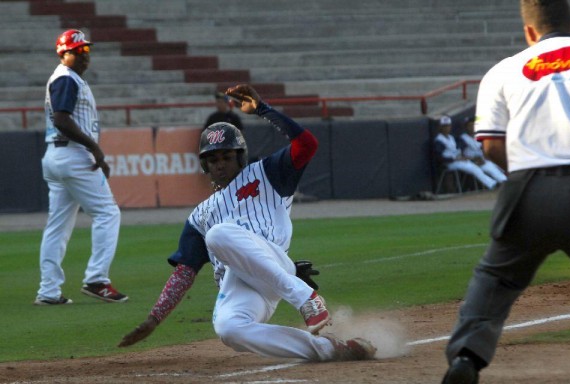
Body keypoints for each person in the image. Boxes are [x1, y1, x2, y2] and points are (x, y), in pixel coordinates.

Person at [118, 84, 376, 362]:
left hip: (275, 265)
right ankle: (329, 348)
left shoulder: (267, 173)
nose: (220, 164)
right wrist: (154, 319)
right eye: (213, 159)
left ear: (240, 156)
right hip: (241, 284)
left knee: (218, 235)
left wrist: (263, 110)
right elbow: (184, 273)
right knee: (229, 329)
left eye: (226, 156)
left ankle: (307, 300)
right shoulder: (200, 215)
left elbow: (307, 144)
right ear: (205, 165)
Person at [442, 1, 570, 383]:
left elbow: (491, 146)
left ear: (529, 31)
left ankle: (466, 358)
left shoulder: (503, 70)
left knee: (495, 278)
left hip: (525, 185)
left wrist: (531, 177)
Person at [35, 29, 127, 305]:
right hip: (74, 157)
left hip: (57, 156)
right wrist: (94, 148)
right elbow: (62, 119)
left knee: (57, 226)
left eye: (86, 49)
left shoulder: (67, 78)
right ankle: (97, 279)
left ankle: (48, 291)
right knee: (108, 213)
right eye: (78, 50)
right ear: (64, 53)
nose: (85, 55)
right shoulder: (65, 78)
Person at [433, 115, 498, 191]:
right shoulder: (439, 140)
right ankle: (492, 184)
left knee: (475, 166)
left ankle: (493, 183)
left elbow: (457, 150)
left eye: (448, 126)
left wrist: (462, 156)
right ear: (440, 127)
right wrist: (455, 158)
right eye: (444, 126)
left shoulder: (451, 137)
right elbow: (439, 157)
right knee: (473, 168)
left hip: (457, 160)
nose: (447, 128)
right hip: (449, 163)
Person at [459, 116, 507, 185]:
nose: (472, 127)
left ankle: (507, 180)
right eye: (469, 125)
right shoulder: (462, 138)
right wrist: (472, 159)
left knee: (497, 163)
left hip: (482, 159)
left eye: (473, 125)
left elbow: (484, 149)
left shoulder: (478, 136)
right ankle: (503, 182)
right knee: (490, 167)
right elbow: (461, 155)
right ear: (465, 127)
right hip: (472, 161)